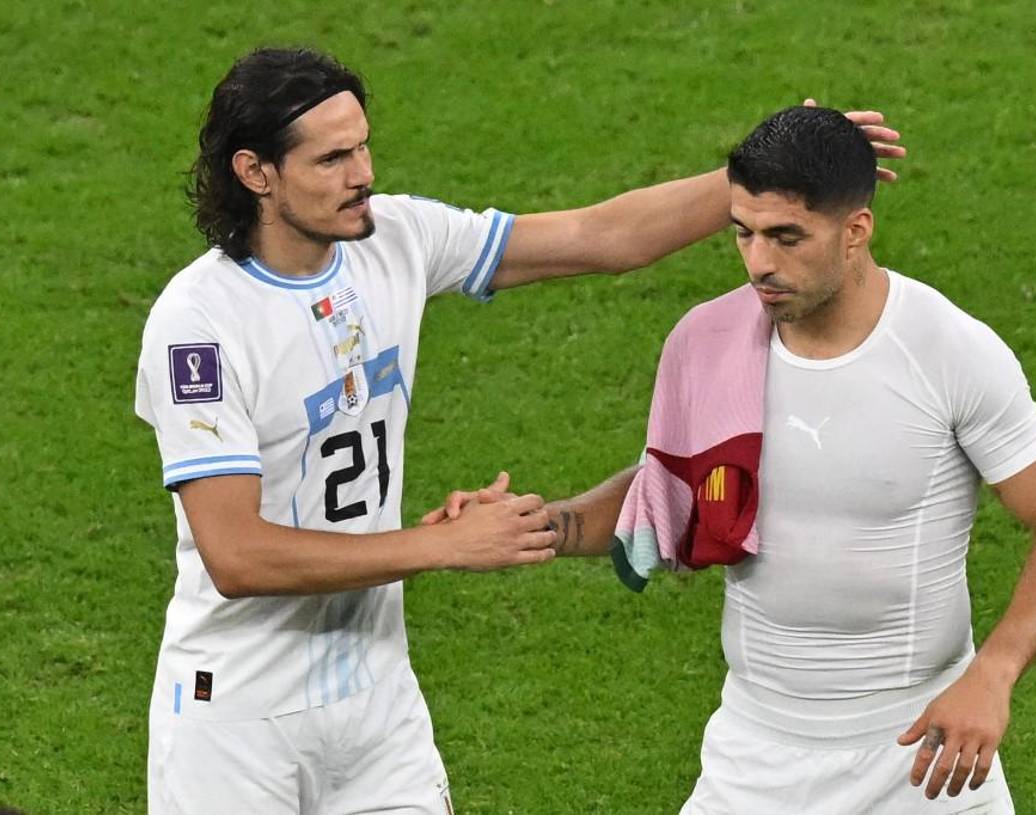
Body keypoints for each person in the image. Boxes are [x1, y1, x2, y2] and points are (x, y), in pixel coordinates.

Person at [133, 47, 902, 814]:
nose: (362, 172)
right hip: (234, 723)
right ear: (256, 172)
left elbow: (601, 238)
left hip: (373, 705)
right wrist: (441, 546)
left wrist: (763, 179)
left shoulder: (393, 238)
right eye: (331, 158)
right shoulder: (199, 325)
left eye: (363, 144)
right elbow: (235, 553)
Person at [429, 106, 1036, 813]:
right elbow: (674, 490)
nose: (759, 263)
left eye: (787, 237)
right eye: (743, 233)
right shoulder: (708, 340)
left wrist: (994, 672)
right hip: (754, 757)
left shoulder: (946, 350)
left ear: (856, 232)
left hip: (918, 756)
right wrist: (543, 522)